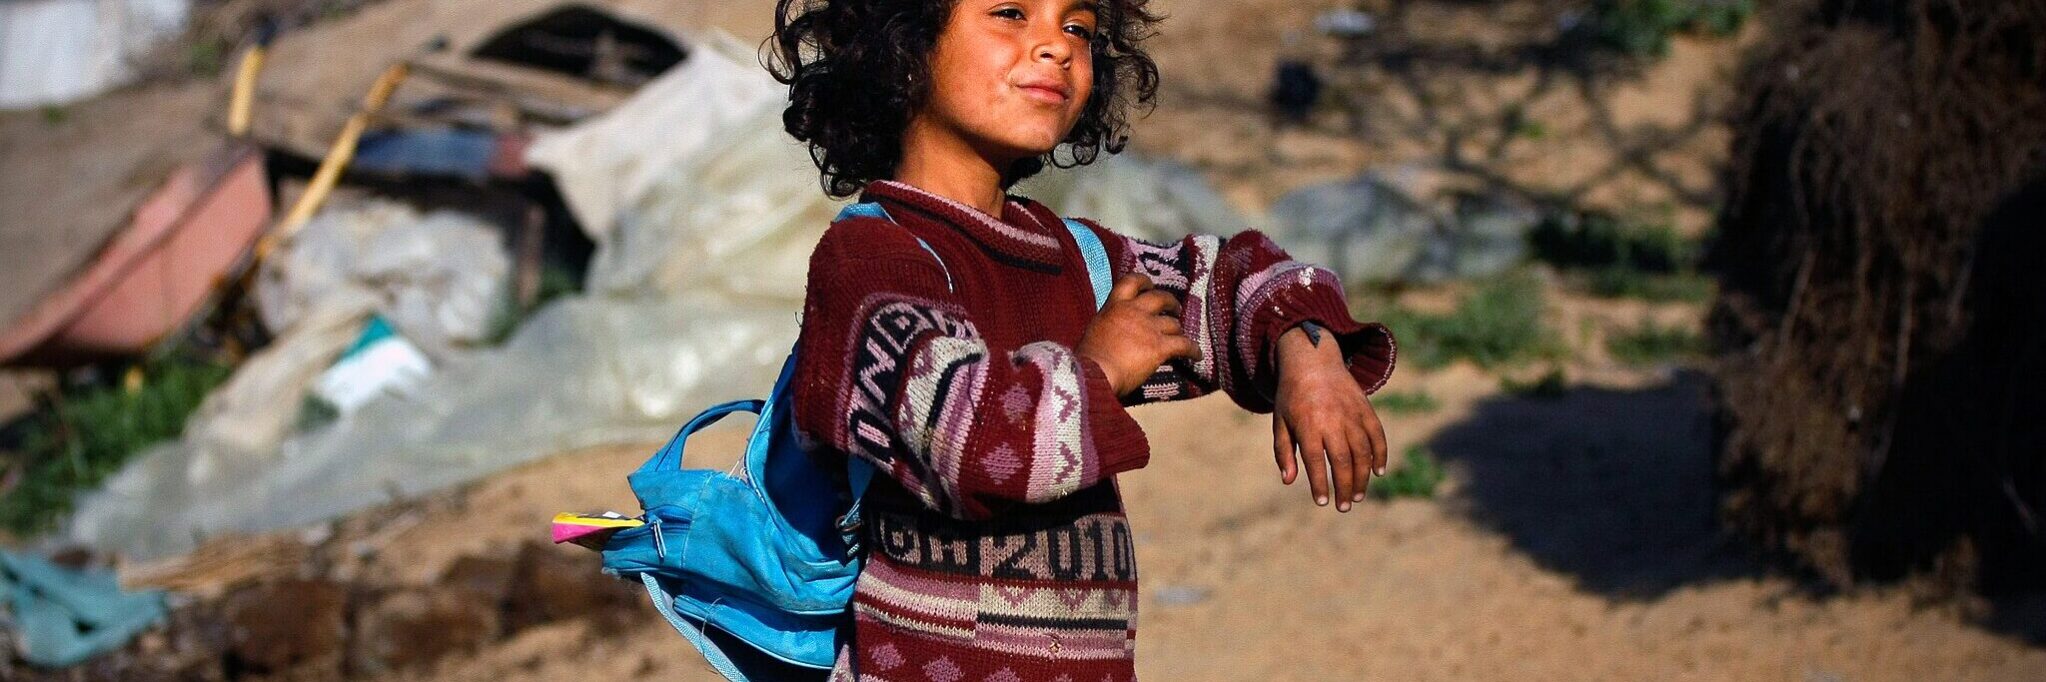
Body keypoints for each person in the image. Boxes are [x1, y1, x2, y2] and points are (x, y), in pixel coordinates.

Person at [771, 1, 1398, 678]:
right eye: (1011, 13)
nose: (1057, 47)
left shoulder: (1077, 262)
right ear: (902, 44)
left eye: (1079, 28)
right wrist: (1098, 367)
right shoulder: (868, 263)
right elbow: (968, 444)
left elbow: (1232, 284)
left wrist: (1308, 355)